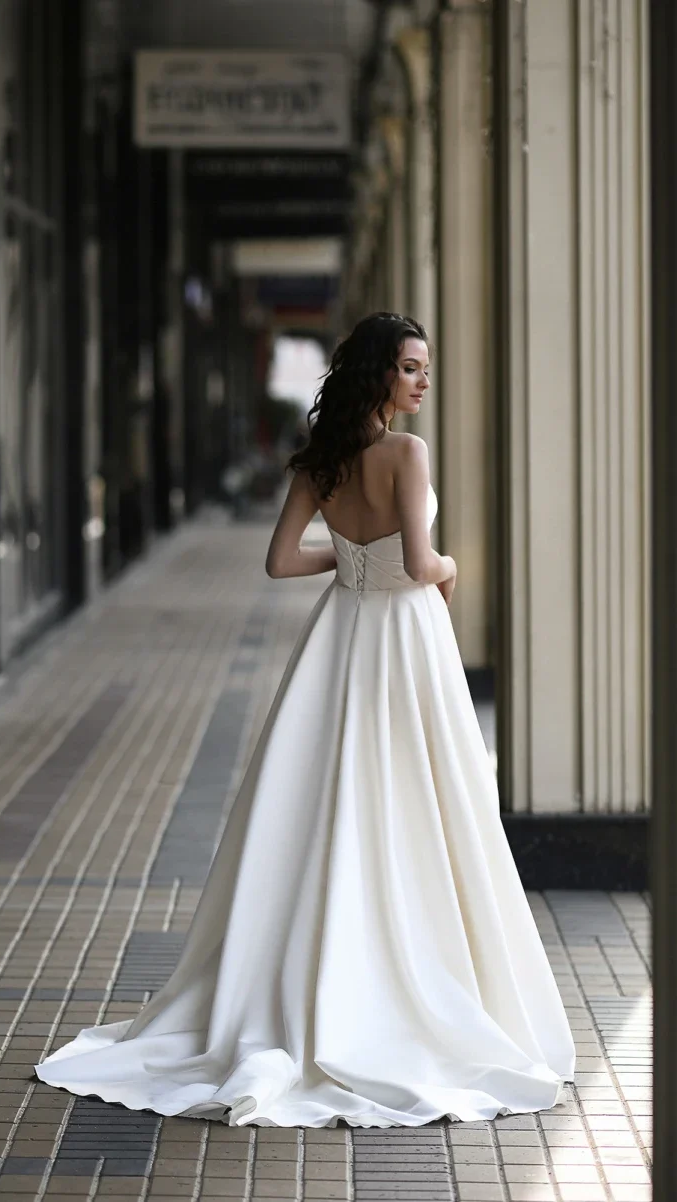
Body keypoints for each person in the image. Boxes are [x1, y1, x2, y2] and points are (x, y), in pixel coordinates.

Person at [34, 312, 576, 1128]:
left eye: (426, 368)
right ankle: (402, 972)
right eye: (412, 368)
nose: (424, 381)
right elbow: (426, 566)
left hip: (342, 634)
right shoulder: (408, 453)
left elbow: (281, 560)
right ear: (379, 376)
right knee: (421, 801)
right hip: (405, 636)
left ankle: (309, 978)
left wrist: (353, 559)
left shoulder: (319, 463)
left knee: (327, 807)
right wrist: (447, 565)